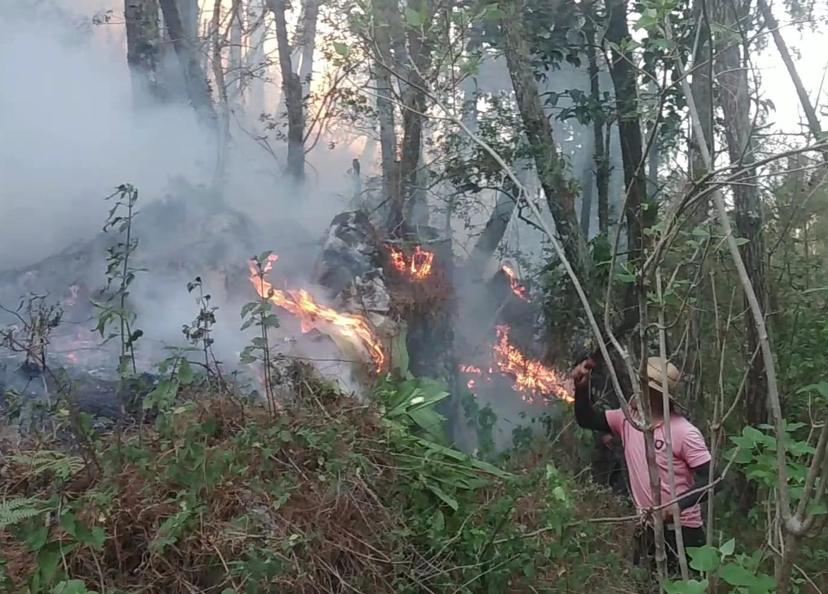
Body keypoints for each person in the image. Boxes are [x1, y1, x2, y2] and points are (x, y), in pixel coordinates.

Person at [571, 355, 712, 576]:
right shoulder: (628, 419)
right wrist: (580, 389)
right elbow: (587, 419)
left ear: (655, 393)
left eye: (642, 385)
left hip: (683, 533)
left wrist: (676, 507)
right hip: (647, 528)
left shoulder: (685, 433)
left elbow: (712, 479)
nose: (636, 390)